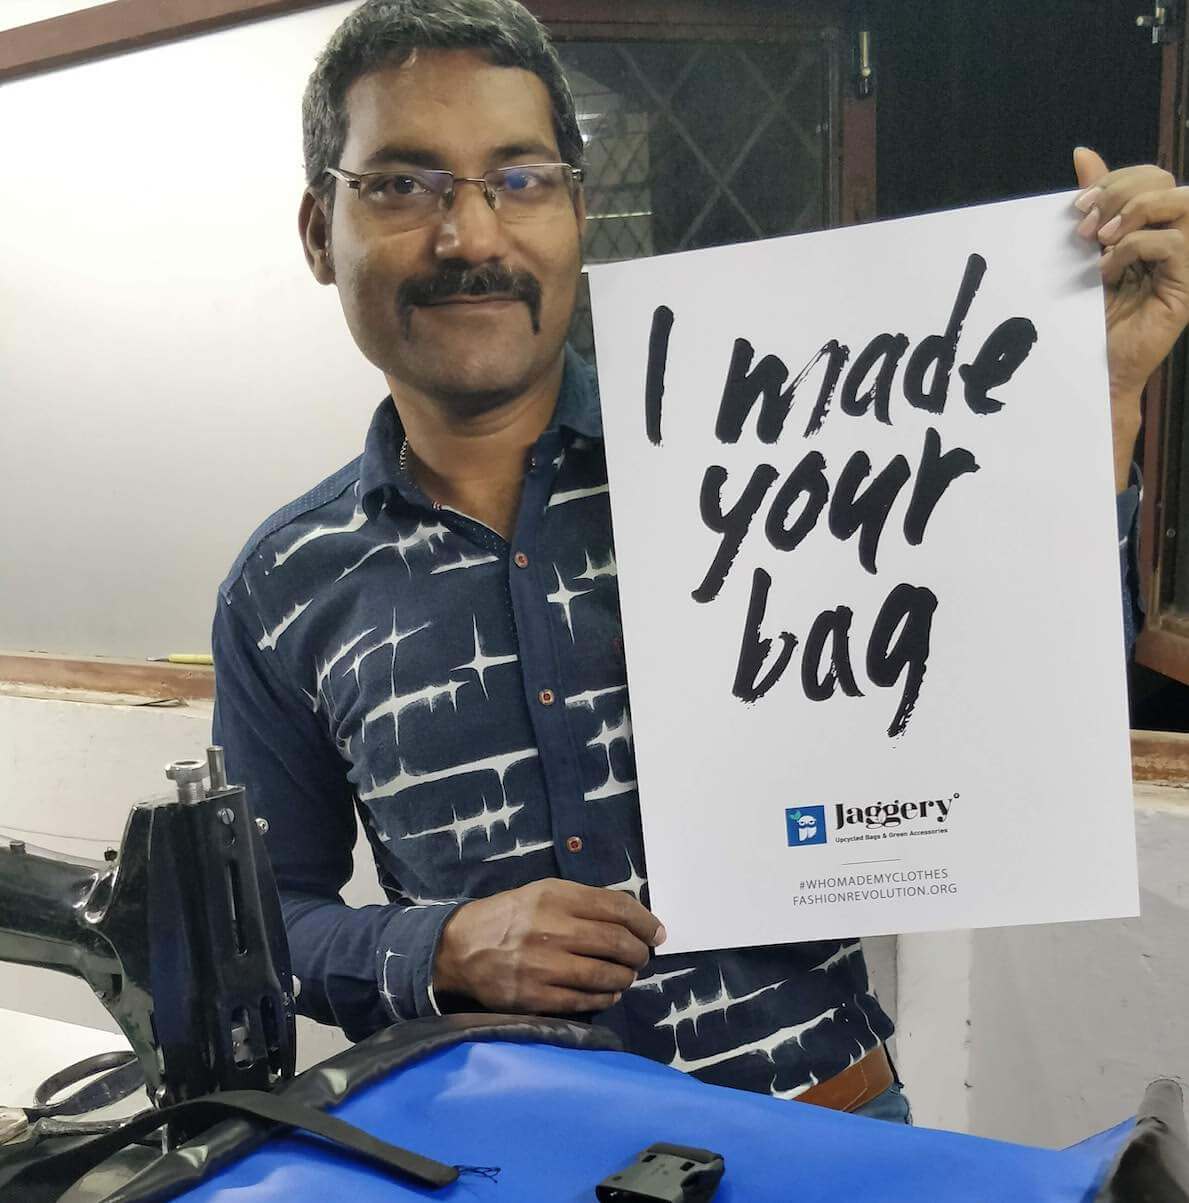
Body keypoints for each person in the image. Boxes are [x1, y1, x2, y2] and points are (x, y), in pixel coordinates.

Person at [212, 0, 1189, 1124]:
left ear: (577, 210)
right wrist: (437, 945)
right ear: (315, 231)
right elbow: (258, 923)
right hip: (506, 1156)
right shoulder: (284, 585)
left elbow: (1022, 720)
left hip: (825, 1131)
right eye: (402, 183)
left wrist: (1093, 407)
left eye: (519, 177)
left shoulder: (765, 454)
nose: (471, 235)